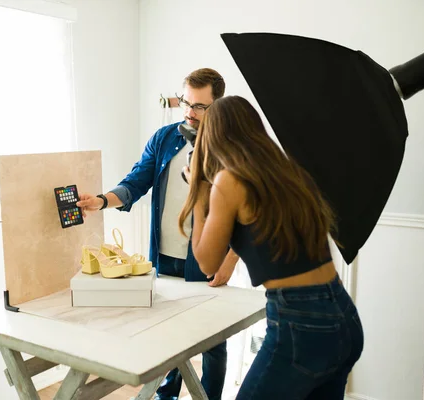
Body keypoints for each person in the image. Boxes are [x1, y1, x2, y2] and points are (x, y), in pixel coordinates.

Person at [179, 95, 364, 399]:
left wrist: (199, 194)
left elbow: (206, 263)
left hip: (301, 324)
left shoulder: (229, 180)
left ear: (212, 137)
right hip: (343, 315)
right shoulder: (288, 173)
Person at [76, 68, 237, 400]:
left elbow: (244, 214)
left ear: (217, 106)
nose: (190, 113)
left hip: (208, 263)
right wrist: (102, 201)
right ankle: (167, 397)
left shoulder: (230, 149)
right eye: (186, 103)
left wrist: (230, 262)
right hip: (163, 260)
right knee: (169, 341)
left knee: (213, 345)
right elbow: (136, 181)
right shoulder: (164, 138)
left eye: (200, 107)